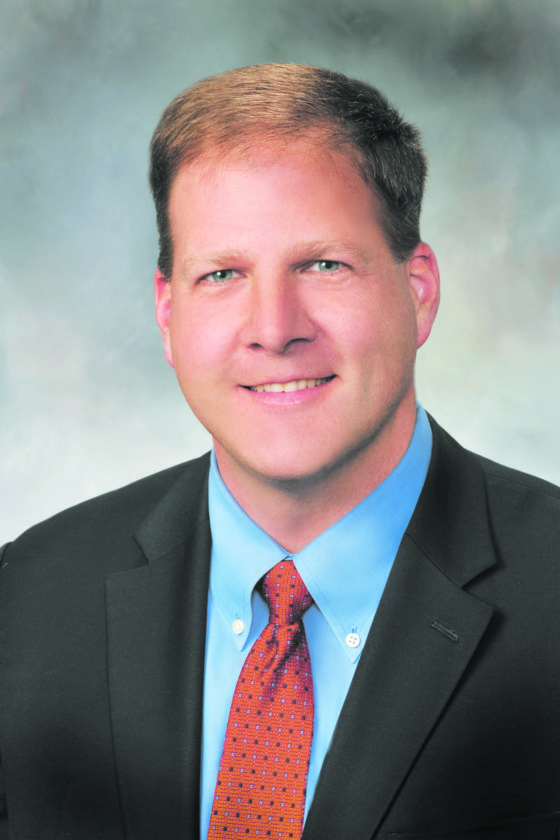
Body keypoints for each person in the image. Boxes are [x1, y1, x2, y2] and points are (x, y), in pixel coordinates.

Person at [0, 63, 559, 840]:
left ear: (418, 290)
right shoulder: (27, 599)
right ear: (168, 313)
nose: (274, 328)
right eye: (222, 274)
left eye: (323, 265)